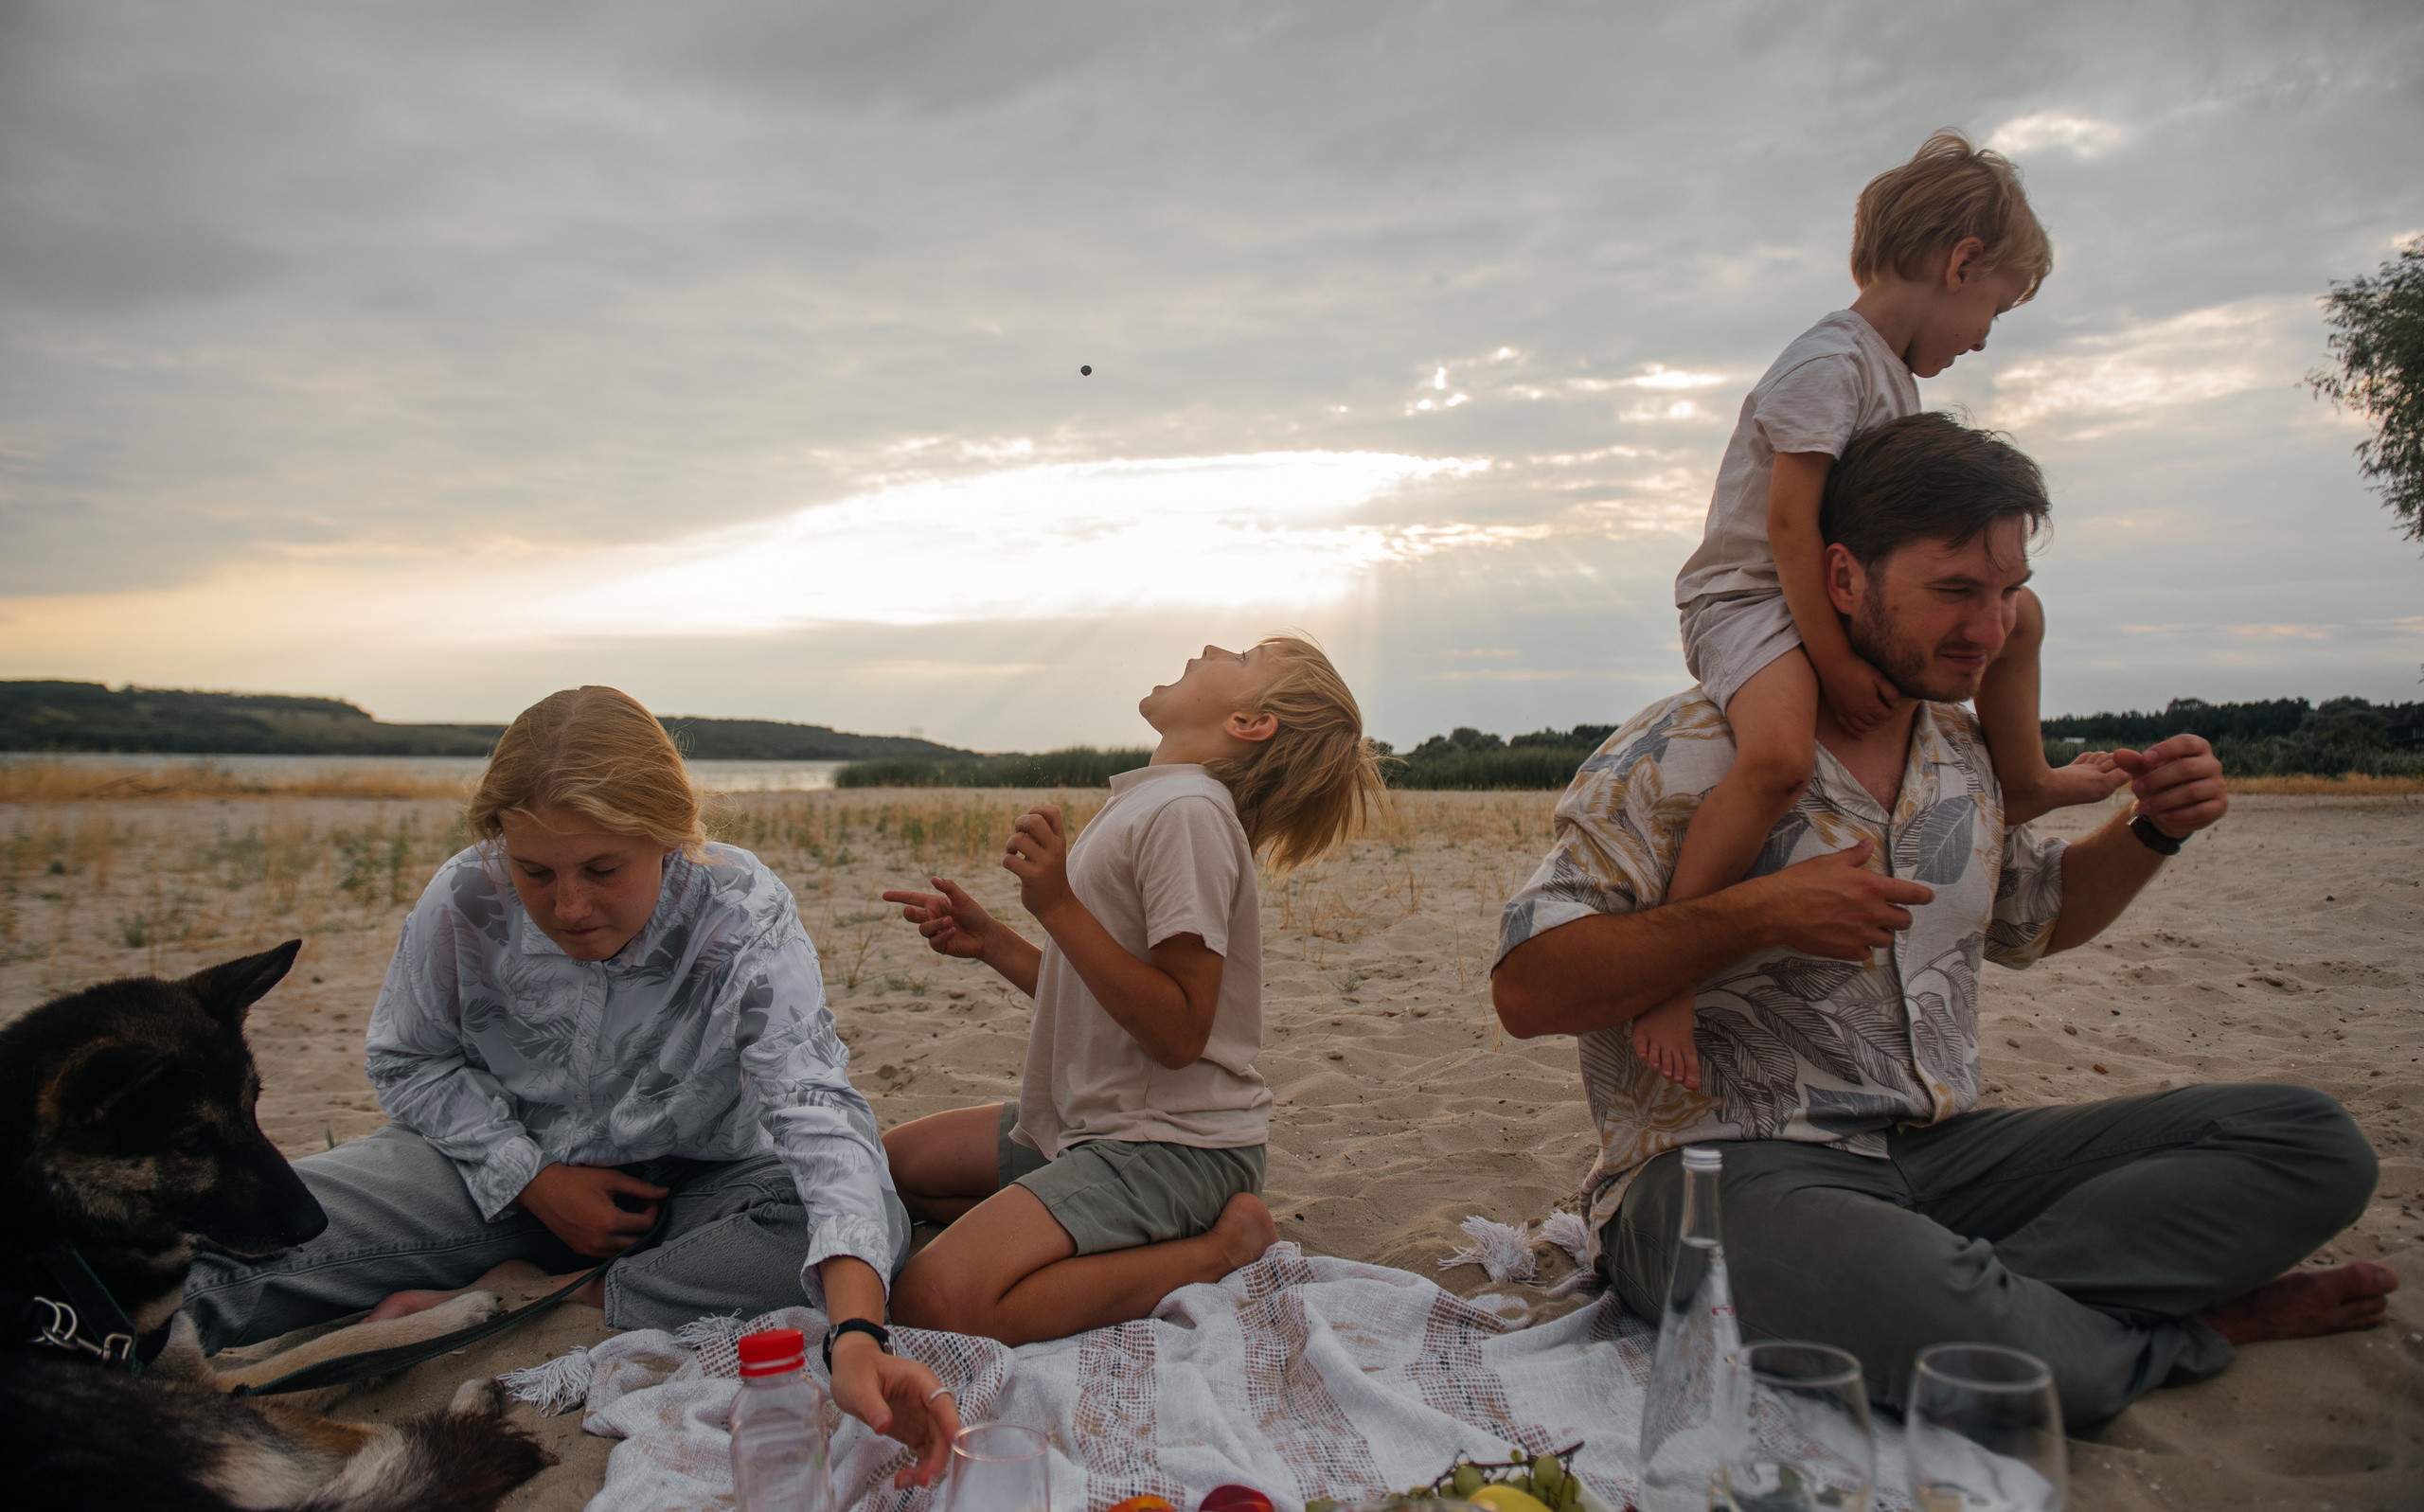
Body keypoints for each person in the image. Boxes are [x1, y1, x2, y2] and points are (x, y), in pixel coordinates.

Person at [1491, 415, 2395, 1426]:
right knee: (2016, 1365)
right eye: (1955, 590)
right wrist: (1752, 913)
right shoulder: (1682, 750)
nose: (1990, 627)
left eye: (2008, 592)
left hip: (1937, 1157)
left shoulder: (1962, 757)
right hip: (1717, 1175)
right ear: (1843, 578)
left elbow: (2028, 922)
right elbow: (1529, 990)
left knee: (2308, 1142)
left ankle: (1983, 1298)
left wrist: (2149, 832)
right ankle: (2178, 1325)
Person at [182, 685, 959, 1485]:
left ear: (667, 835)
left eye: (602, 868)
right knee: (247, 1230)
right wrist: (534, 1178)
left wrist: (857, 1334)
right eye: (535, 870)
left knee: (869, 1226)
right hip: (486, 1173)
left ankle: (546, 1294)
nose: (570, 904)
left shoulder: (741, 909)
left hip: (703, 1187)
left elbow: (815, 1103)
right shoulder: (463, 897)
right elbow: (407, 1059)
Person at [1639, 131, 2126, 1092]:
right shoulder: (1827, 362)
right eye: (1994, 306)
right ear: (1959, 264)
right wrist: (1835, 656)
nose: (1984, 332)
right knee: (1776, 758)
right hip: (1752, 597)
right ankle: (1669, 965)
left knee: (2021, 617)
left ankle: (2020, 775)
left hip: (1820, 590)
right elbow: (1787, 523)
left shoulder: (1892, 378)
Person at [876, 636, 1383, 1344]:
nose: (1210, 645)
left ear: (1249, 721)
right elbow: (1104, 996)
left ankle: (1222, 1248)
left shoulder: (1189, 817)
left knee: (935, 1299)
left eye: (1240, 655)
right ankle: (1095, 1228)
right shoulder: (1158, 803)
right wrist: (991, 941)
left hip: (1172, 1144)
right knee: (891, 1167)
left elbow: (1178, 1031)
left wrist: (1056, 905)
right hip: (1101, 1119)